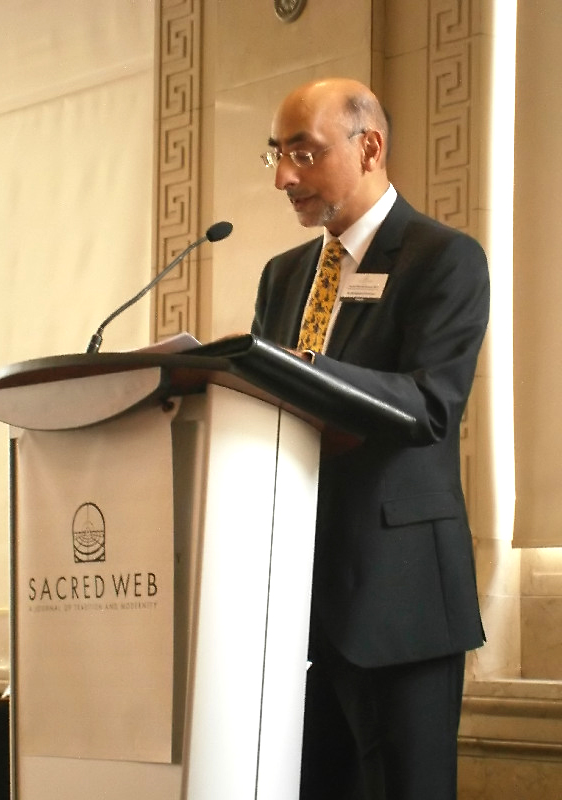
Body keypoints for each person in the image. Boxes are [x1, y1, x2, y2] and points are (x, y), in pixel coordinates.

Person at [251, 78, 489, 800]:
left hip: (400, 599)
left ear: (370, 147)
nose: (284, 177)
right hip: (294, 605)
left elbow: (430, 404)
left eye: (303, 153)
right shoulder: (282, 276)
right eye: (276, 155)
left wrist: (306, 370)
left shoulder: (443, 258)